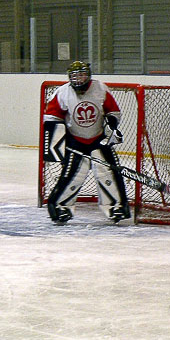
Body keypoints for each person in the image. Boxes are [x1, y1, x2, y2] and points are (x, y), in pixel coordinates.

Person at [42, 61, 130, 225]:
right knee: (74, 176)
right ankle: (61, 207)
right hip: (75, 141)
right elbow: (52, 116)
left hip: (98, 139)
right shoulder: (62, 92)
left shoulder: (100, 88)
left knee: (108, 172)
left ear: (88, 75)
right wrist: (59, 138)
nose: (78, 79)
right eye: (74, 76)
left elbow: (113, 110)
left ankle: (116, 206)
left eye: (82, 75)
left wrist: (111, 124)